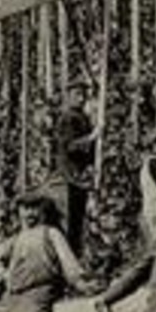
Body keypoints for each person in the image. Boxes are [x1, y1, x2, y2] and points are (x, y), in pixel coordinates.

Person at [53, 83, 99, 256]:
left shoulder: (82, 117)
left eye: (83, 94)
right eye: (77, 94)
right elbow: (70, 147)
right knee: (73, 220)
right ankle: (72, 257)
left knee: (79, 220)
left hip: (80, 176)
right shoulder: (68, 118)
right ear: (69, 96)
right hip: (71, 176)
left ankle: (79, 255)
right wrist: (91, 138)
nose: (81, 98)